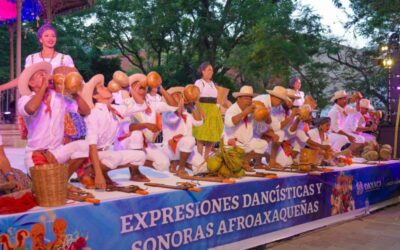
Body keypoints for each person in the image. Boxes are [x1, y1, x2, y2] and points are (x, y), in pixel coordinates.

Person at [17, 62, 90, 176]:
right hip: (36, 153)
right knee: (46, 187)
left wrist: (73, 92)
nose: (47, 76)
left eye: (46, 74)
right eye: (41, 75)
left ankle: (62, 181)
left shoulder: (58, 98)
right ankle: (54, 180)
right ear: (31, 83)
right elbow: (31, 109)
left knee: (83, 145)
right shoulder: (25, 99)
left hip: (56, 152)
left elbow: (86, 111)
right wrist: (44, 86)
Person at [82, 74, 148, 188]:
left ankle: (100, 171)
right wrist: (99, 174)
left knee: (140, 156)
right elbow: (91, 145)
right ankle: (93, 172)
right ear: (96, 96)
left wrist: (129, 87)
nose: (107, 87)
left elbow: (142, 106)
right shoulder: (93, 113)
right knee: (115, 157)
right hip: (94, 154)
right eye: (102, 87)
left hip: (107, 152)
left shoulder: (115, 109)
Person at [0, 23, 74, 92]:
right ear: (40, 39)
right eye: (46, 36)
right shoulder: (31, 58)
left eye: (53, 36)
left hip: (59, 99)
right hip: (37, 99)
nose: (51, 38)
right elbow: (23, 78)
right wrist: (2, 87)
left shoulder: (65, 58)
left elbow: (75, 78)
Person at [161, 87, 207, 176]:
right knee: (189, 140)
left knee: (204, 167)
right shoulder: (167, 112)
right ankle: (181, 169)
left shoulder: (186, 113)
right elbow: (174, 119)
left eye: (180, 95)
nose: (180, 97)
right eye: (176, 95)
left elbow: (198, 122)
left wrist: (193, 104)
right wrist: (179, 106)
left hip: (185, 149)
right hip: (171, 148)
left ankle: (179, 162)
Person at [224, 86, 268, 171]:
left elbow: (262, 128)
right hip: (232, 142)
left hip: (247, 143)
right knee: (237, 152)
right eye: (246, 98)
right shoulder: (232, 109)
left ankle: (245, 162)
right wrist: (244, 113)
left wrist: (265, 114)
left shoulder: (252, 110)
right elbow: (230, 123)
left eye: (250, 99)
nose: (249, 101)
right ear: (238, 99)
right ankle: (237, 164)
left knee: (263, 144)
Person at [193, 62, 224, 159]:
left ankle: (206, 158)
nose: (211, 72)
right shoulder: (199, 82)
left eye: (212, 70)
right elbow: (195, 98)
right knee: (201, 136)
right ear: (203, 71)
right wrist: (201, 113)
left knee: (212, 136)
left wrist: (218, 108)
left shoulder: (212, 83)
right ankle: (198, 158)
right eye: (209, 69)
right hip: (203, 108)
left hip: (213, 110)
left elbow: (216, 97)